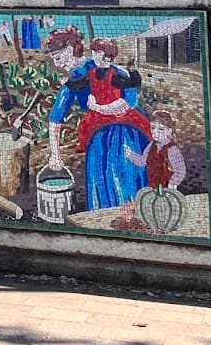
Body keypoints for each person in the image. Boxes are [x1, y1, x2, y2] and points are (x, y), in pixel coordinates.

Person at [44, 29, 150, 211]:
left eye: (59, 56)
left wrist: (105, 108)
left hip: (126, 128)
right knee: (99, 175)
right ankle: (104, 218)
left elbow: (130, 98)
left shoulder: (103, 66)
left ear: (72, 48)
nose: (56, 62)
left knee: (125, 172)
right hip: (98, 132)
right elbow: (56, 117)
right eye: (53, 57)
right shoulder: (73, 81)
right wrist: (55, 154)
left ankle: (138, 214)